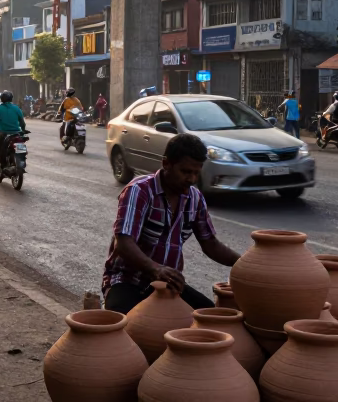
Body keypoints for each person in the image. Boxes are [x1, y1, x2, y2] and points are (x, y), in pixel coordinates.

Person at [102, 133, 241, 312]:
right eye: (185, 172)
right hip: (127, 281)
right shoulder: (139, 191)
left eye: (196, 173)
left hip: (169, 284)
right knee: (123, 328)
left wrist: (244, 263)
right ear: (166, 163)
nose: (191, 179)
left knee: (212, 317)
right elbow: (123, 242)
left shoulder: (195, 198)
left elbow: (210, 244)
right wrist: (155, 269)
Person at [0, 90, 27, 174]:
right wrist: (23, 130)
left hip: (4, 134)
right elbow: (22, 123)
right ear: (11, 99)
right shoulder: (16, 108)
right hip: (17, 133)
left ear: (1, 99)